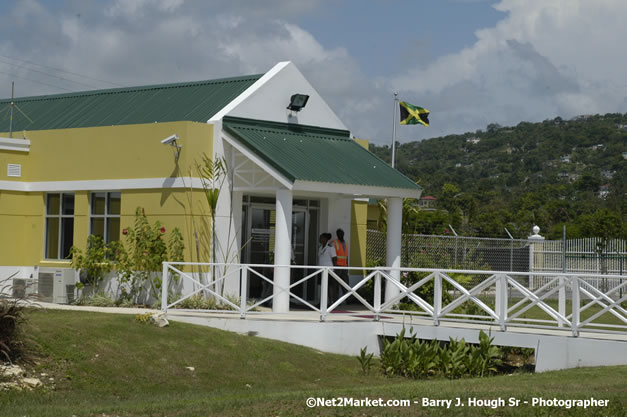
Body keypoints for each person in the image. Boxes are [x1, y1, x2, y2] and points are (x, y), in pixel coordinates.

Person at [331, 229, 349, 304]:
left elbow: (346, 256)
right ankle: (335, 300)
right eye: (339, 234)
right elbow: (332, 255)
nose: (340, 235)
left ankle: (347, 299)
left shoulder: (346, 243)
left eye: (341, 233)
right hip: (337, 266)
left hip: (344, 266)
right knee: (335, 284)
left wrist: (347, 266)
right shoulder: (334, 243)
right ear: (337, 235)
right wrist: (334, 266)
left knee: (345, 283)